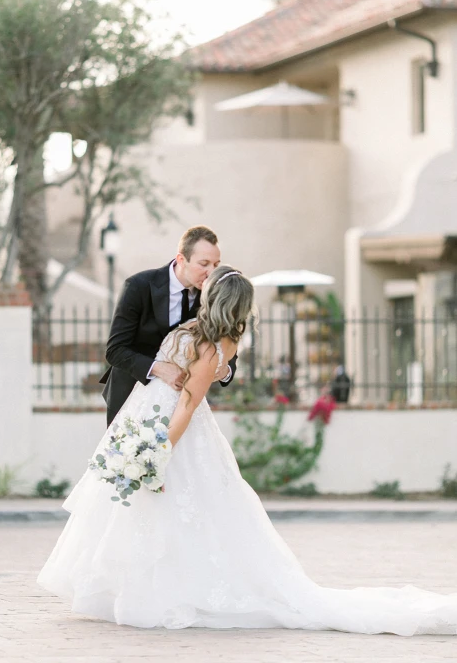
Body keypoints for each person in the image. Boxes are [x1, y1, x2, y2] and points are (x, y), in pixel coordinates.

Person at [38, 266, 457, 634]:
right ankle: (127, 588)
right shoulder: (205, 333)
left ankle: (162, 592)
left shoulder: (213, 345)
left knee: (173, 513)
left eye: (209, 283)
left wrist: (160, 451)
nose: (201, 284)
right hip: (145, 422)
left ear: (215, 298)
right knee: (146, 513)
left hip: (171, 433)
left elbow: (187, 402)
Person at [100, 225, 237, 427]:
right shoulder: (139, 286)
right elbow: (115, 350)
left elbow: (228, 348)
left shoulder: (214, 295)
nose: (211, 273)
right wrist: (159, 369)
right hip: (130, 397)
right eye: (204, 264)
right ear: (181, 259)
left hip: (181, 405)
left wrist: (224, 370)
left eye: (216, 264)